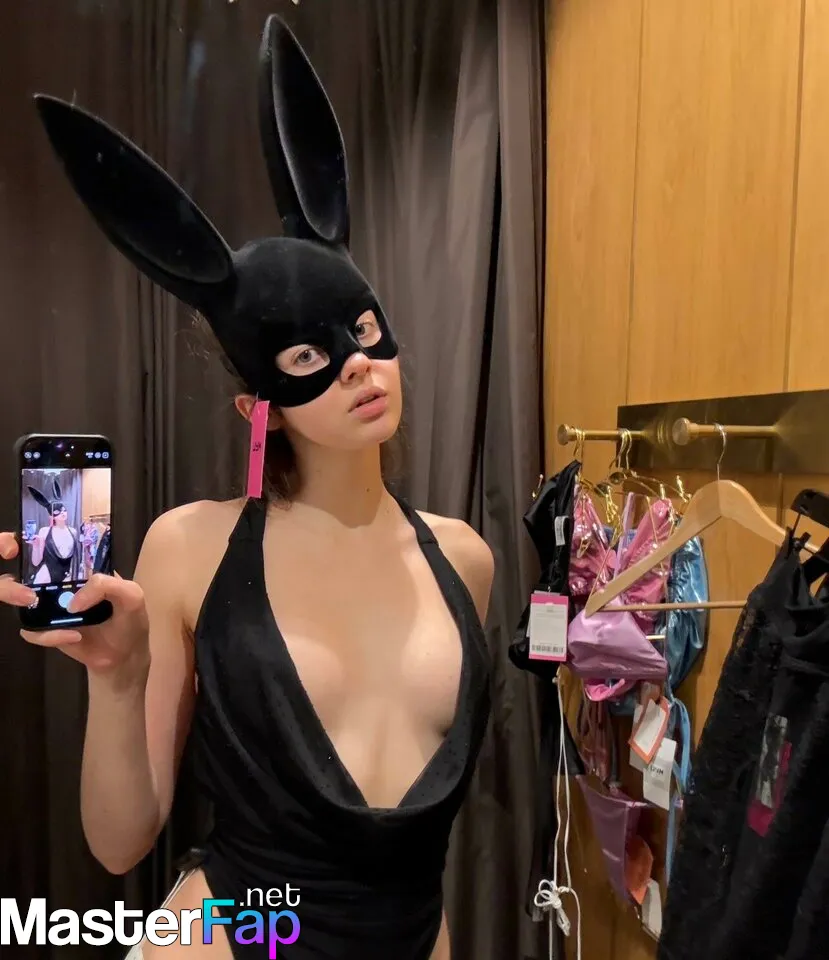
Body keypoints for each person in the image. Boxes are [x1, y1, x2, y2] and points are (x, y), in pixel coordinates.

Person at [0, 14, 494, 960]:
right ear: (256, 406)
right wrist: (118, 677)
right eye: (308, 355)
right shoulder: (193, 548)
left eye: (363, 331)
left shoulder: (463, 560)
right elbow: (119, 843)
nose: (356, 364)